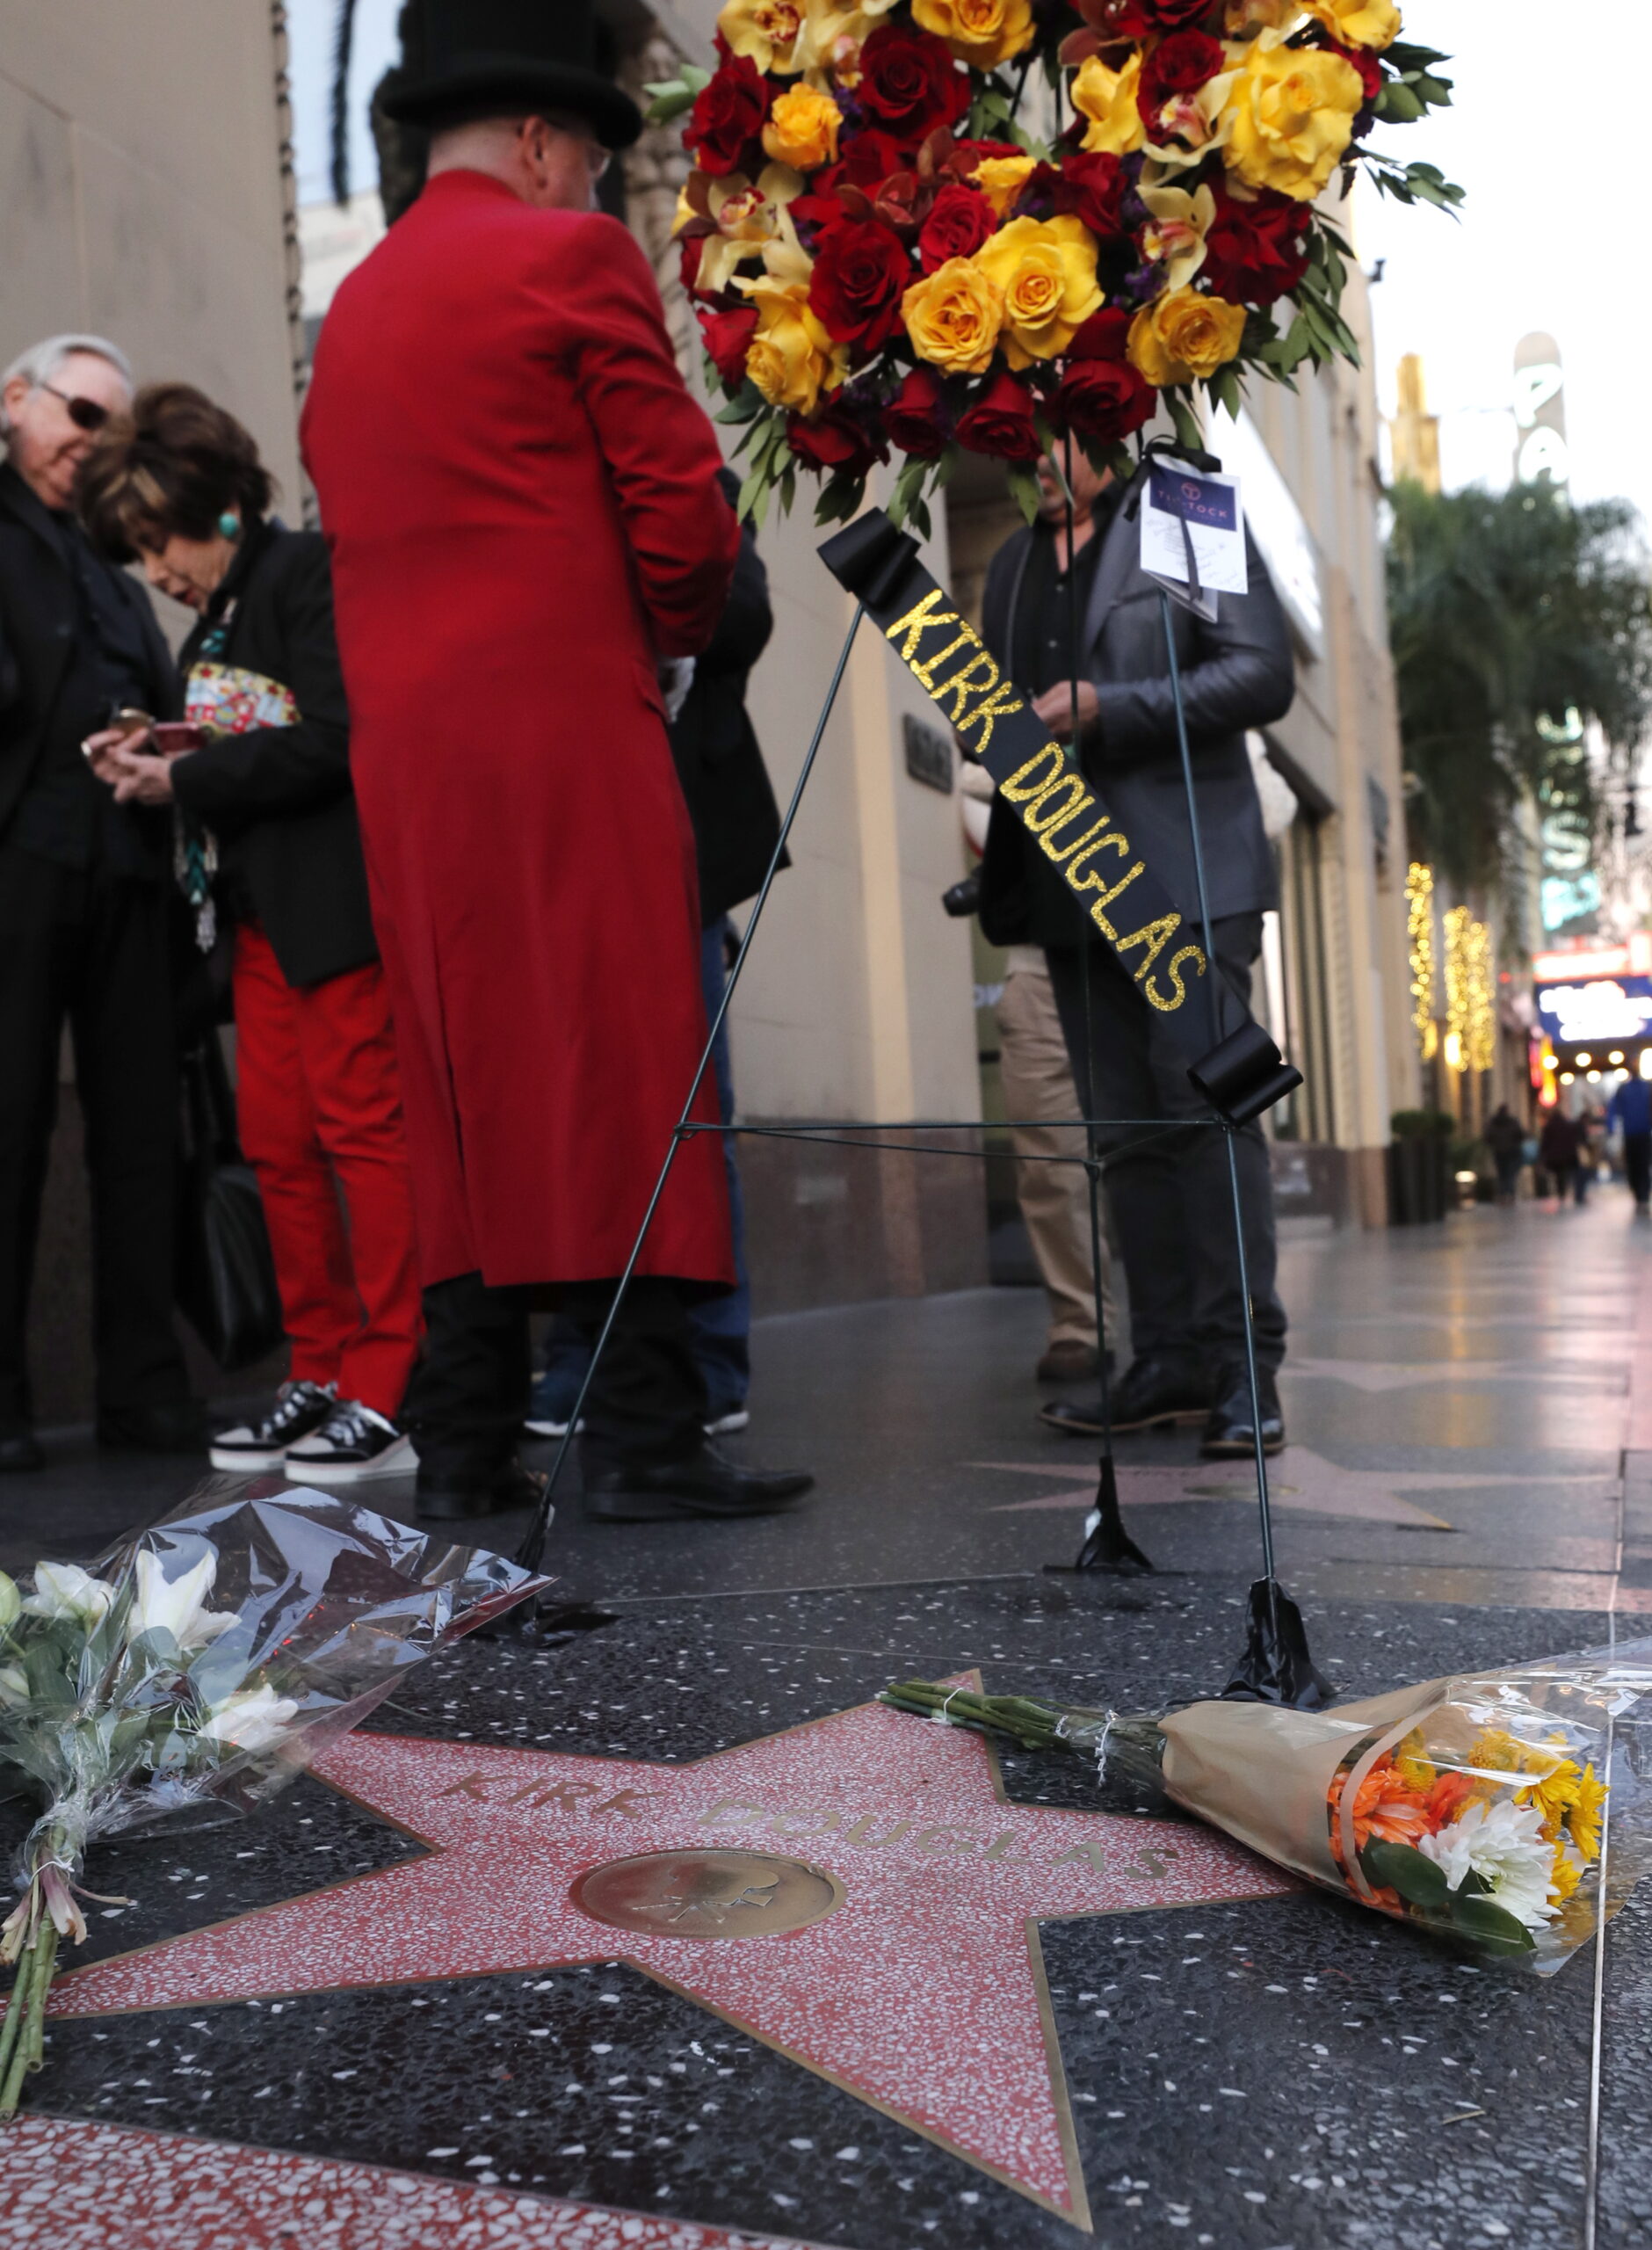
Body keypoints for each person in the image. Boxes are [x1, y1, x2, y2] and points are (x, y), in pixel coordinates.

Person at [300, 0, 810, 1526]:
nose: (597, 190)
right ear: (539, 143)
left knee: (459, 1084)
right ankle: (648, 1435)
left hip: (409, 766)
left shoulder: (355, 315)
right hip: (566, 727)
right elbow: (687, 527)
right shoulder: (569, 256)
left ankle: (460, 1443)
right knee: (621, 1062)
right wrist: (655, 639)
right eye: (591, 160)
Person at [77, 383, 424, 1482]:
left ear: (222, 503)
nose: (158, 571)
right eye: (138, 552)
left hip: (333, 911)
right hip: (262, 925)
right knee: (279, 1146)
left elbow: (334, 736)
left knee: (362, 1136)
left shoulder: (306, 573)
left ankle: (387, 1381)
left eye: (160, 539)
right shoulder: (227, 606)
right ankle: (317, 1372)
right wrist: (160, 751)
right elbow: (253, 734)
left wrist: (185, 770)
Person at [978, 450, 1295, 1459]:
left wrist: (1110, 708)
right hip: (1067, 879)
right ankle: (1163, 1358)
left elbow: (1259, 674)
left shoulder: (1179, 505)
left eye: (1053, 412)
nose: (1032, 441)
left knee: (1203, 1114)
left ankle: (1244, 1368)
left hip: (1186, 873)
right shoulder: (1009, 564)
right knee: (1121, 1132)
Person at [527, 470, 780, 1441]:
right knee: (573, 1119)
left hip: (675, 848)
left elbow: (739, 615)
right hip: (563, 843)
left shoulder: (694, 482)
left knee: (689, 1113)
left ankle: (709, 1358)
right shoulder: (532, 481)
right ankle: (580, 1356)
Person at [0, 333, 199, 1473]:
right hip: (19, 865)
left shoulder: (114, 568)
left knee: (138, 1139)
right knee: (9, 1128)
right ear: (17, 401)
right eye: (81, 415)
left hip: (126, 872)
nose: (93, 445)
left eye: (110, 429)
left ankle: (146, 1390)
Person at [958, 760, 1112, 1386]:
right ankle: (1081, 1324)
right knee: (1049, 1160)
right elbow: (967, 777)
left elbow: (1268, 800)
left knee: (1169, 1149)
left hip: (1154, 949)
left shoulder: (1161, 674)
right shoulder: (1025, 676)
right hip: (1041, 958)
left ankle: (1187, 1337)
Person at [1608, 1073, 1652, 1214]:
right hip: (1632, 1133)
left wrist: (1611, 1126)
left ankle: (1642, 1196)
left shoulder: (1646, 1088)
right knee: (1636, 1165)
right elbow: (1613, 1107)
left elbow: (1613, 1108)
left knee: (1641, 1165)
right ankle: (1640, 1195)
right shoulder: (1625, 1089)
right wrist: (1611, 1126)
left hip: (1641, 1133)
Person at [1485, 1102, 1525, 1206]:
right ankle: (1510, 1195)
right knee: (1510, 1175)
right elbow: (1520, 1135)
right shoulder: (1513, 1122)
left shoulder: (1494, 1122)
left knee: (1502, 1175)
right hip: (1512, 1152)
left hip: (1499, 1152)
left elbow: (1488, 1137)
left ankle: (1502, 1195)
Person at [1539, 1107, 1582, 1204]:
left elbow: (1545, 1142)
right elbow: (1572, 1141)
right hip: (1565, 1156)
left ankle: (1560, 1191)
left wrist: (1543, 1154)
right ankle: (1562, 1192)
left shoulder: (1549, 1126)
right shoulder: (1567, 1125)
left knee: (1557, 1174)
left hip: (1553, 1156)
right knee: (1563, 1175)